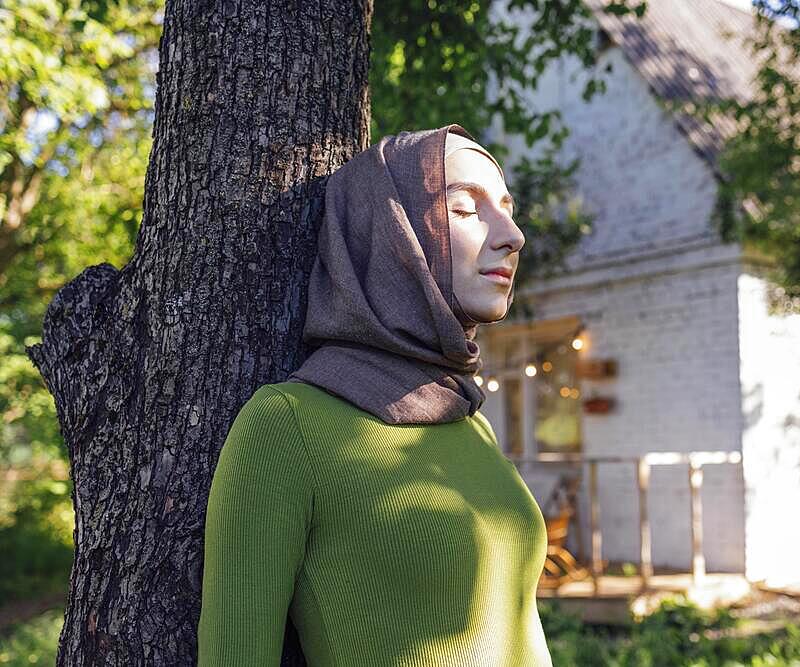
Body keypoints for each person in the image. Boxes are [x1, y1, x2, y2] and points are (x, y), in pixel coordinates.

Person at [197, 124, 553, 666]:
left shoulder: (466, 417)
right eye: (464, 209)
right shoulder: (286, 427)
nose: (512, 234)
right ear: (393, 235)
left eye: (506, 207)